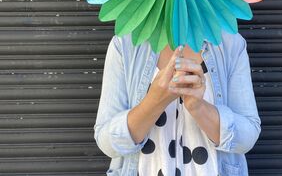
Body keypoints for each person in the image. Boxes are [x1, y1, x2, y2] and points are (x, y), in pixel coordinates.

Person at [94, 30, 261, 175]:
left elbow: (248, 135)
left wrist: (198, 107)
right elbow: (106, 142)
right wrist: (154, 102)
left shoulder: (229, 43)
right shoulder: (125, 44)